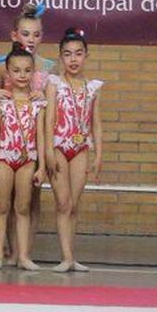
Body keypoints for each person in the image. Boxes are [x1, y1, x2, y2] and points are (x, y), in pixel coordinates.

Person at [0, 44, 47, 270]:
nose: (22, 75)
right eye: (17, 70)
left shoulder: (37, 103)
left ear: (33, 73)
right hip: (4, 158)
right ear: (8, 73)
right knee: (2, 207)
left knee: (22, 208)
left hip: (27, 159)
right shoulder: (1, 101)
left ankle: (23, 256)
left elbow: (41, 136)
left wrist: (41, 166)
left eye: (27, 70)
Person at [46, 28, 101, 273]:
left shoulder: (92, 87)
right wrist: (47, 150)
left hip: (80, 147)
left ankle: (72, 256)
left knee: (74, 204)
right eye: (68, 54)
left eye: (78, 54)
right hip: (59, 145)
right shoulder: (54, 84)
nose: (73, 59)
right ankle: (65, 257)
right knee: (63, 202)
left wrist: (99, 154)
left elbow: (96, 123)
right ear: (60, 57)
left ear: (86, 56)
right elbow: (48, 120)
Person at [0, 6, 54, 92]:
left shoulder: (50, 68)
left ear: (41, 36)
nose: (31, 40)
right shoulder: (2, 67)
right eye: (25, 34)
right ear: (14, 36)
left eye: (36, 35)